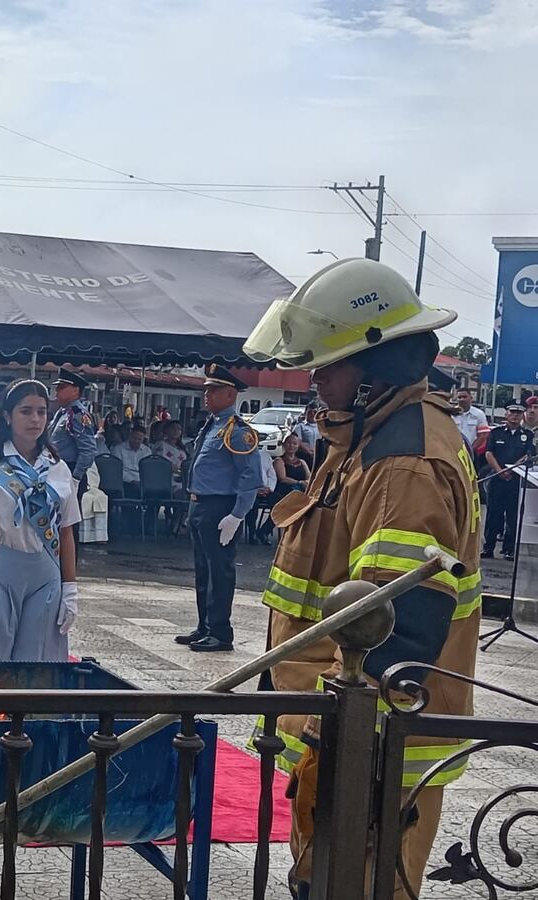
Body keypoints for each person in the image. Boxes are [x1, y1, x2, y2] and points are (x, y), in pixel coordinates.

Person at [243, 257, 482, 899]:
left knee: (359, 886)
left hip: (369, 744)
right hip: (341, 731)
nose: (317, 381)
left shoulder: (403, 461)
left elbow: (398, 624)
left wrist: (342, 738)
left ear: (375, 365)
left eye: (329, 365)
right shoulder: (370, 438)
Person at [0, 379, 78, 661]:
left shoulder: (58, 468)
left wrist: (70, 589)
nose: (35, 419)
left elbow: (66, 532)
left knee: (38, 662)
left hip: (45, 574)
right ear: (7, 415)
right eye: (26, 411)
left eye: (42, 411)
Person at [176, 364, 262, 652]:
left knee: (220, 571)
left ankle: (221, 633)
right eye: (206, 390)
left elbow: (250, 476)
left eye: (213, 390)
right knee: (203, 570)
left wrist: (238, 515)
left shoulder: (238, 431)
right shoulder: (212, 425)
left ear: (229, 394)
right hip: (199, 504)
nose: (206, 395)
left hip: (219, 507)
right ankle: (205, 626)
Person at [481, 403, 534, 561]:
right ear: (506, 414)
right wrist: (500, 471)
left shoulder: (527, 435)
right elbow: (489, 453)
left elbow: (528, 455)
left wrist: (512, 469)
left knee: (513, 516)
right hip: (497, 479)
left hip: (515, 480)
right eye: (512, 412)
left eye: (519, 413)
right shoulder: (496, 433)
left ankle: (508, 550)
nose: (515, 416)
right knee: (493, 514)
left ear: (522, 415)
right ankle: (488, 548)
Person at [47, 368, 98, 489]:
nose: (57, 391)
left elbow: (88, 450)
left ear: (75, 390)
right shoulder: (63, 411)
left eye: (62, 387)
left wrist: (75, 478)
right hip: (56, 469)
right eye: (57, 387)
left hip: (69, 470)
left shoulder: (78, 414)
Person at [254, 432, 310, 543]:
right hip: (282, 491)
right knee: (287, 505)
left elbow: (309, 477)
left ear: (298, 446)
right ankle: (266, 531)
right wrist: (299, 482)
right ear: (284, 445)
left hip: (299, 492)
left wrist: (306, 482)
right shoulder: (279, 461)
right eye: (289, 443)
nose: (291, 446)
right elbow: (283, 478)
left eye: (294, 443)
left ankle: (300, 536)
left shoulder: (302, 462)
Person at [118, 424, 152, 499]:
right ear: (130, 436)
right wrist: (131, 480)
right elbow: (117, 470)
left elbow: (149, 470)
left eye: (139, 439)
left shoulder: (147, 451)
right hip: (125, 482)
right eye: (134, 438)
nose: (136, 441)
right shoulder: (118, 449)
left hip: (143, 482)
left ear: (143, 439)